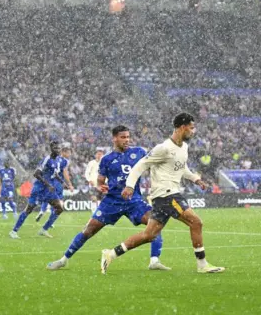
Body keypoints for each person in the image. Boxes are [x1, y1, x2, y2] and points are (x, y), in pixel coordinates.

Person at [100, 113, 225, 274]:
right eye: (192, 128)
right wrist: (130, 185)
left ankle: (111, 253)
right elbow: (140, 165)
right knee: (196, 223)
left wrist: (195, 179)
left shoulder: (184, 147)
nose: (194, 131)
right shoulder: (163, 148)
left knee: (149, 235)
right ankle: (202, 265)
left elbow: (182, 167)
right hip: (167, 195)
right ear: (182, 127)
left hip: (163, 198)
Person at [47, 125, 170, 271]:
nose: (127, 140)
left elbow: (154, 165)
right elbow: (100, 181)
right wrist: (100, 186)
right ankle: (63, 260)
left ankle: (154, 261)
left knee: (155, 224)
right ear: (114, 139)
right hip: (112, 201)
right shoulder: (106, 159)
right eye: (123, 137)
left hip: (134, 200)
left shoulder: (139, 152)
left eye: (128, 137)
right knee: (88, 230)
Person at [9, 141, 65, 239]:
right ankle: (14, 231)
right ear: (51, 148)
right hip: (39, 189)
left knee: (59, 208)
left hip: (49, 190)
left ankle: (43, 230)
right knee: (29, 209)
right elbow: (36, 174)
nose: (58, 150)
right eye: (56, 148)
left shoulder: (57, 160)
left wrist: (62, 181)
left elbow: (54, 174)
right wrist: (48, 184)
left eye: (59, 148)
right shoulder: (46, 160)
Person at [36, 147, 74, 223]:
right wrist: (69, 184)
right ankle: (51, 220)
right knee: (58, 201)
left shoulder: (54, 158)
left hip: (51, 181)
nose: (70, 154)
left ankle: (42, 211)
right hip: (59, 183)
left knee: (48, 197)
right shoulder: (65, 161)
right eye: (69, 153)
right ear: (63, 152)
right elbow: (65, 173)